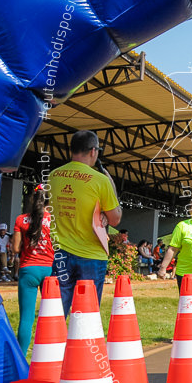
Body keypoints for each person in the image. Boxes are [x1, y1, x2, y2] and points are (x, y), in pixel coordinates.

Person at [49, 130, 122, 312]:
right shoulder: (100, 180)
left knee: (57, 312)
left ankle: (56, 341)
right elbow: (115, 219)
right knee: (87, 315)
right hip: (91, 255)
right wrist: (111, 186)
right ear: (93, 151)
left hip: (60, 252)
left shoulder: (54, 176)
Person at [11, 185, 54, 354]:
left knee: (26, 319)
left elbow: (15, 249)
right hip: (49, 271)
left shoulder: (21, 220)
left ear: (31, 199)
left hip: (28, 270)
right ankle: (49, 354)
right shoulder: (54, 220)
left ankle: (21, 358)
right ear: (48, 201)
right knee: (51, 316)